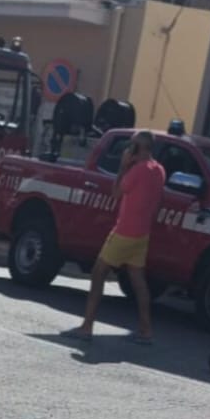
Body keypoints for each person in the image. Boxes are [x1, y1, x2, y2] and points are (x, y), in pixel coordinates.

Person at [65, 131, 166, 345]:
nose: (129, 149)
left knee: (98, 272)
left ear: (141, 149)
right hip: (142, 233)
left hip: (124, 231)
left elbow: (117, 192)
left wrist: (123, 166)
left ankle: (87, 326)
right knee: (139, 281)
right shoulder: (159, 170)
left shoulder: (138, 170)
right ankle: (146, 329)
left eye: (133, 146)